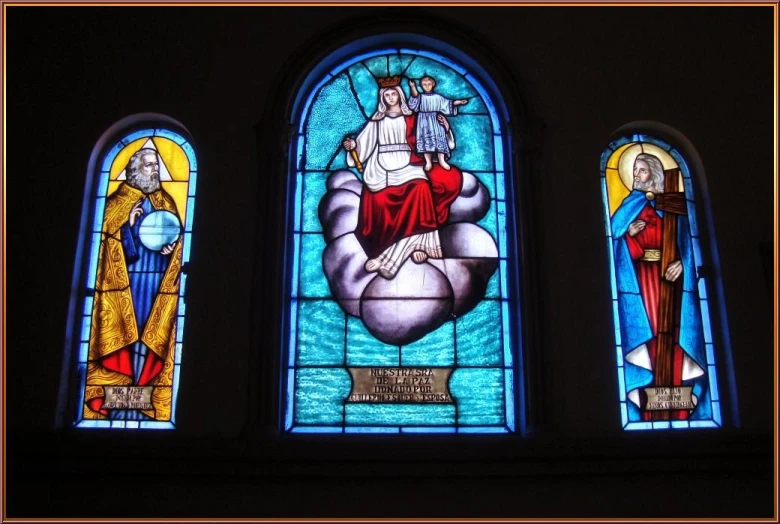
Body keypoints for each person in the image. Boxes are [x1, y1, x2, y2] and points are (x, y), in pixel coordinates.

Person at [84, 148, 182, 421]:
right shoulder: (117, 202)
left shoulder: (165, 200)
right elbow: (103, 244)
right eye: (149, 165)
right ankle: (117, 391)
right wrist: (127, 226)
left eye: (156, 166)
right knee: (127, 333)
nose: (154, 171)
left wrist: (171, 248)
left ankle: (144, 390)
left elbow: (177, 242)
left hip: (155, 283)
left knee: (150, 333)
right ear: (135, 169)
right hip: (124, 284)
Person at [611, 153, 707, 421]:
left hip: (672, 279)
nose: (637, 176)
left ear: (653, 173)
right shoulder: (631, 204)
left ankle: (677, 392)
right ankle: (650, 387)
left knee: (674, 332)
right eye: (634, 171)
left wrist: (683, 265)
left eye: (642, 170)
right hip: (641, 280)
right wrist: (629, 237)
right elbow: (614, 239)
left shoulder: (672, 204)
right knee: (650, 331)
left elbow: (688, 245)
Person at [342, 78, 462, 280]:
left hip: (409, 165)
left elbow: (432, 136)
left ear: (400, 94)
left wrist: (446, 129)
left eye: (393, 93)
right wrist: (353, 147)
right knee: (378, 200)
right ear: (382, 98)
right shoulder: (376, 121)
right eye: (386, 95)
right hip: (381, 167)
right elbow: (363, 146)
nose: (390, 97)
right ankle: (402, 247)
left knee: (421, 189)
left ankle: (411, 250)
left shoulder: (413, 118)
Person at [407, 76, 468, 172]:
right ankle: (428, 162)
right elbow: (414, 98)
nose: (427, 86)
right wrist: (413, 86)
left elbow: (448, 103)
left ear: (433, 84)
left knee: (440, 140)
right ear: (421, 86)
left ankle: (441, 160)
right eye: (424, 85)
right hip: (424, 122)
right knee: (426, 142)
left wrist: (459, 102)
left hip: (436, 120)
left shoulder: (438, 97)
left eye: (429, 84)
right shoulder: (420, 97)